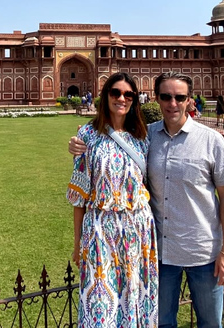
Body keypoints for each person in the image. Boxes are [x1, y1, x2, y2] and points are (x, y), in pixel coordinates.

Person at [70, 71, 224, 328]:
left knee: (207, 323)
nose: (173, 103)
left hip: (197, 250)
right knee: (141, 317)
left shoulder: (200, 140)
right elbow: (80, 193)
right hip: (154, 249)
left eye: (179, 97)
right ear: (157, 100)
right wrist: (76, 143)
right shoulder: (139, 135)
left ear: (189, 100)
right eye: (166, 96)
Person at [66, 72, 158, 327]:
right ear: (104, 95)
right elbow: (79, 196)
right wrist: (77, 243)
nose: (121, 98)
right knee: (100, 305)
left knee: (134, 299)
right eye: (115, 92)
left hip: (137, 230)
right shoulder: (87, 135)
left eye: (129, 94)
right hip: (99, 229)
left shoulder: (142, 137)